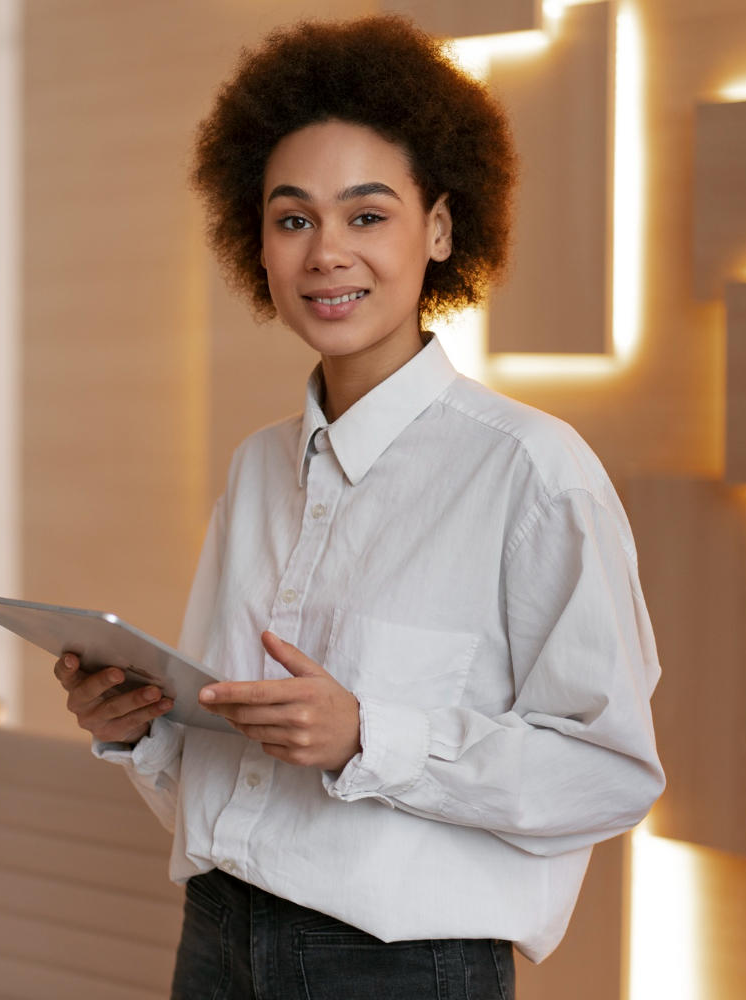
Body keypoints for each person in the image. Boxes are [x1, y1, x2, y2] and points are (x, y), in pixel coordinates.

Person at [51, 15, 663, 999]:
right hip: (216, 936)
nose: (327, 252)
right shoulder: (258, 468)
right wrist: (141, 730)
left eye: (366, 215)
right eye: (293, 219)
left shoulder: (533, 473)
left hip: (396, 970)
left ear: (441, 228)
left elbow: (607, 775)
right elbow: (237, 768)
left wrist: (373, 734)